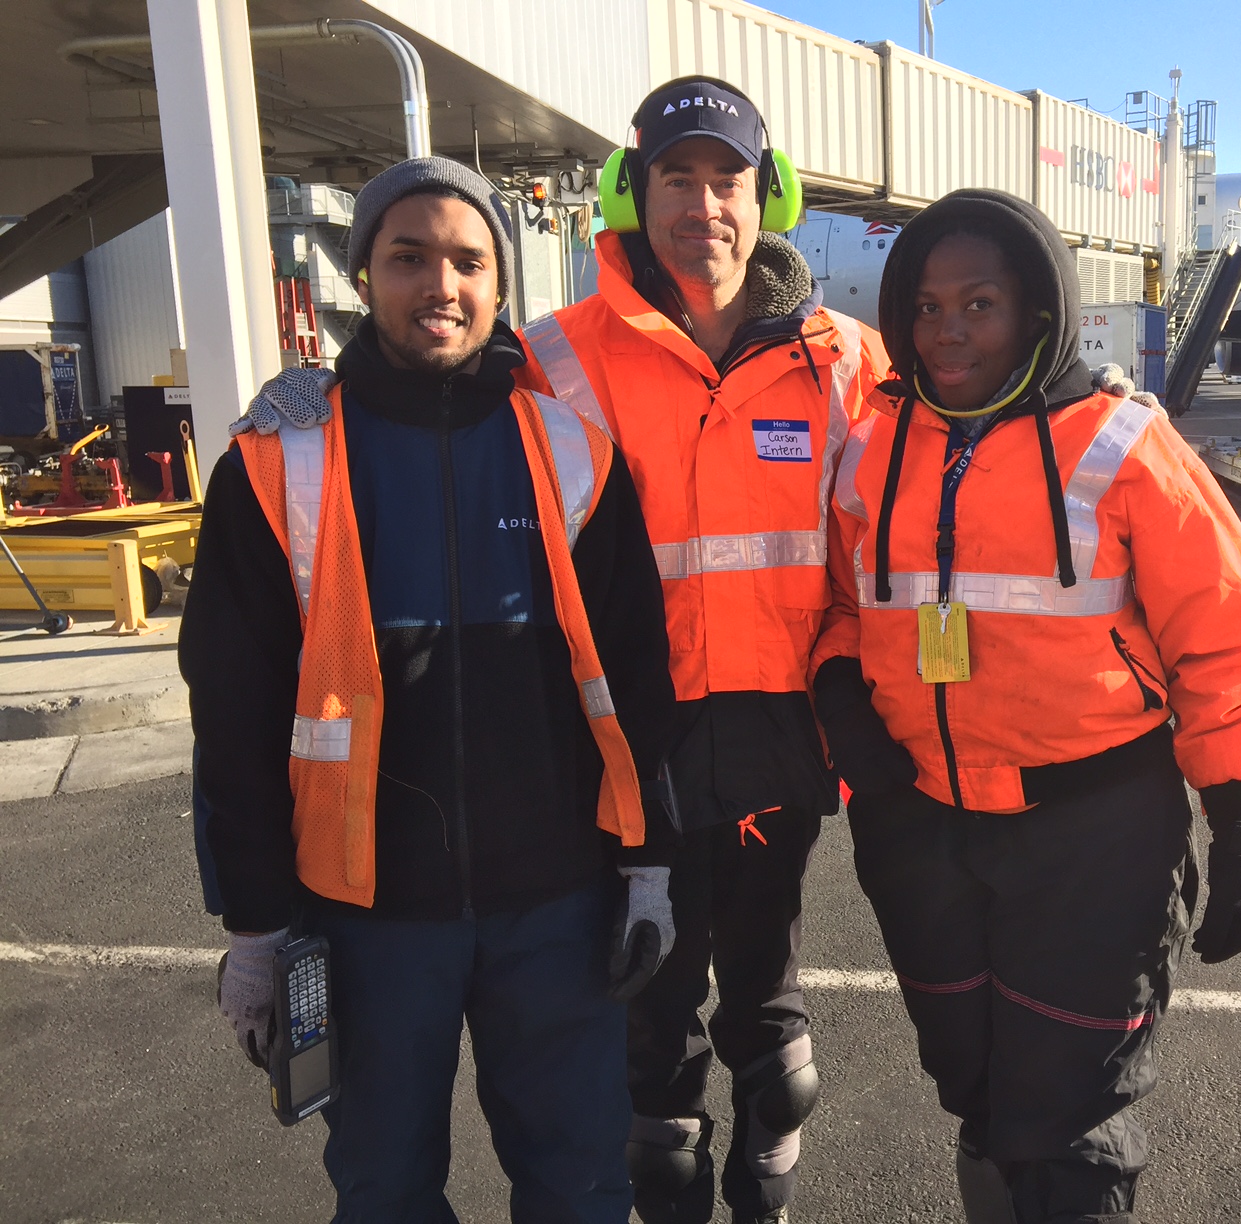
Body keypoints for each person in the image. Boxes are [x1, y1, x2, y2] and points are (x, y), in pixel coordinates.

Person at [181, 155, 678, 1222]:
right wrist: (257, 923)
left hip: (557, 902)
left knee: (582, 1185)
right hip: (364, 916)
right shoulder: (279, 457)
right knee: (385, 1191)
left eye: (467, 260)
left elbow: (636, 675)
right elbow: (232, 708)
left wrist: (648, 865)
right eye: (409, 258)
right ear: (363, 273)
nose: (439, 286)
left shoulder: (571, 449)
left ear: (503, 284)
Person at [810, 189, 1241, 1224]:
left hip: (1093, 834)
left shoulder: (1121, 444)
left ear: (1035, 310)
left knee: (1071, 1120)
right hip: (922, 827)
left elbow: (1223, 634)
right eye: (929, 306)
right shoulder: (874, 443)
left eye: (977, 303)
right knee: (976, 1092)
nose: (947, 331)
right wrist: (851, 713)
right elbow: (839, 604)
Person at [513, 77, 890, 1224]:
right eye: (676, 178)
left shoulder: (846, 361)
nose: (703, 206)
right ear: (635, 190)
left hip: (781, 739)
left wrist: (1090, 386)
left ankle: (767, 1188)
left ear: (763, 195)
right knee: (652, 1016)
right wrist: (314, 399)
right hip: (633, 742)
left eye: (726, 179)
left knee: (771, 1028)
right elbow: (423, 401)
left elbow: (961, 449)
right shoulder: (554, 357)